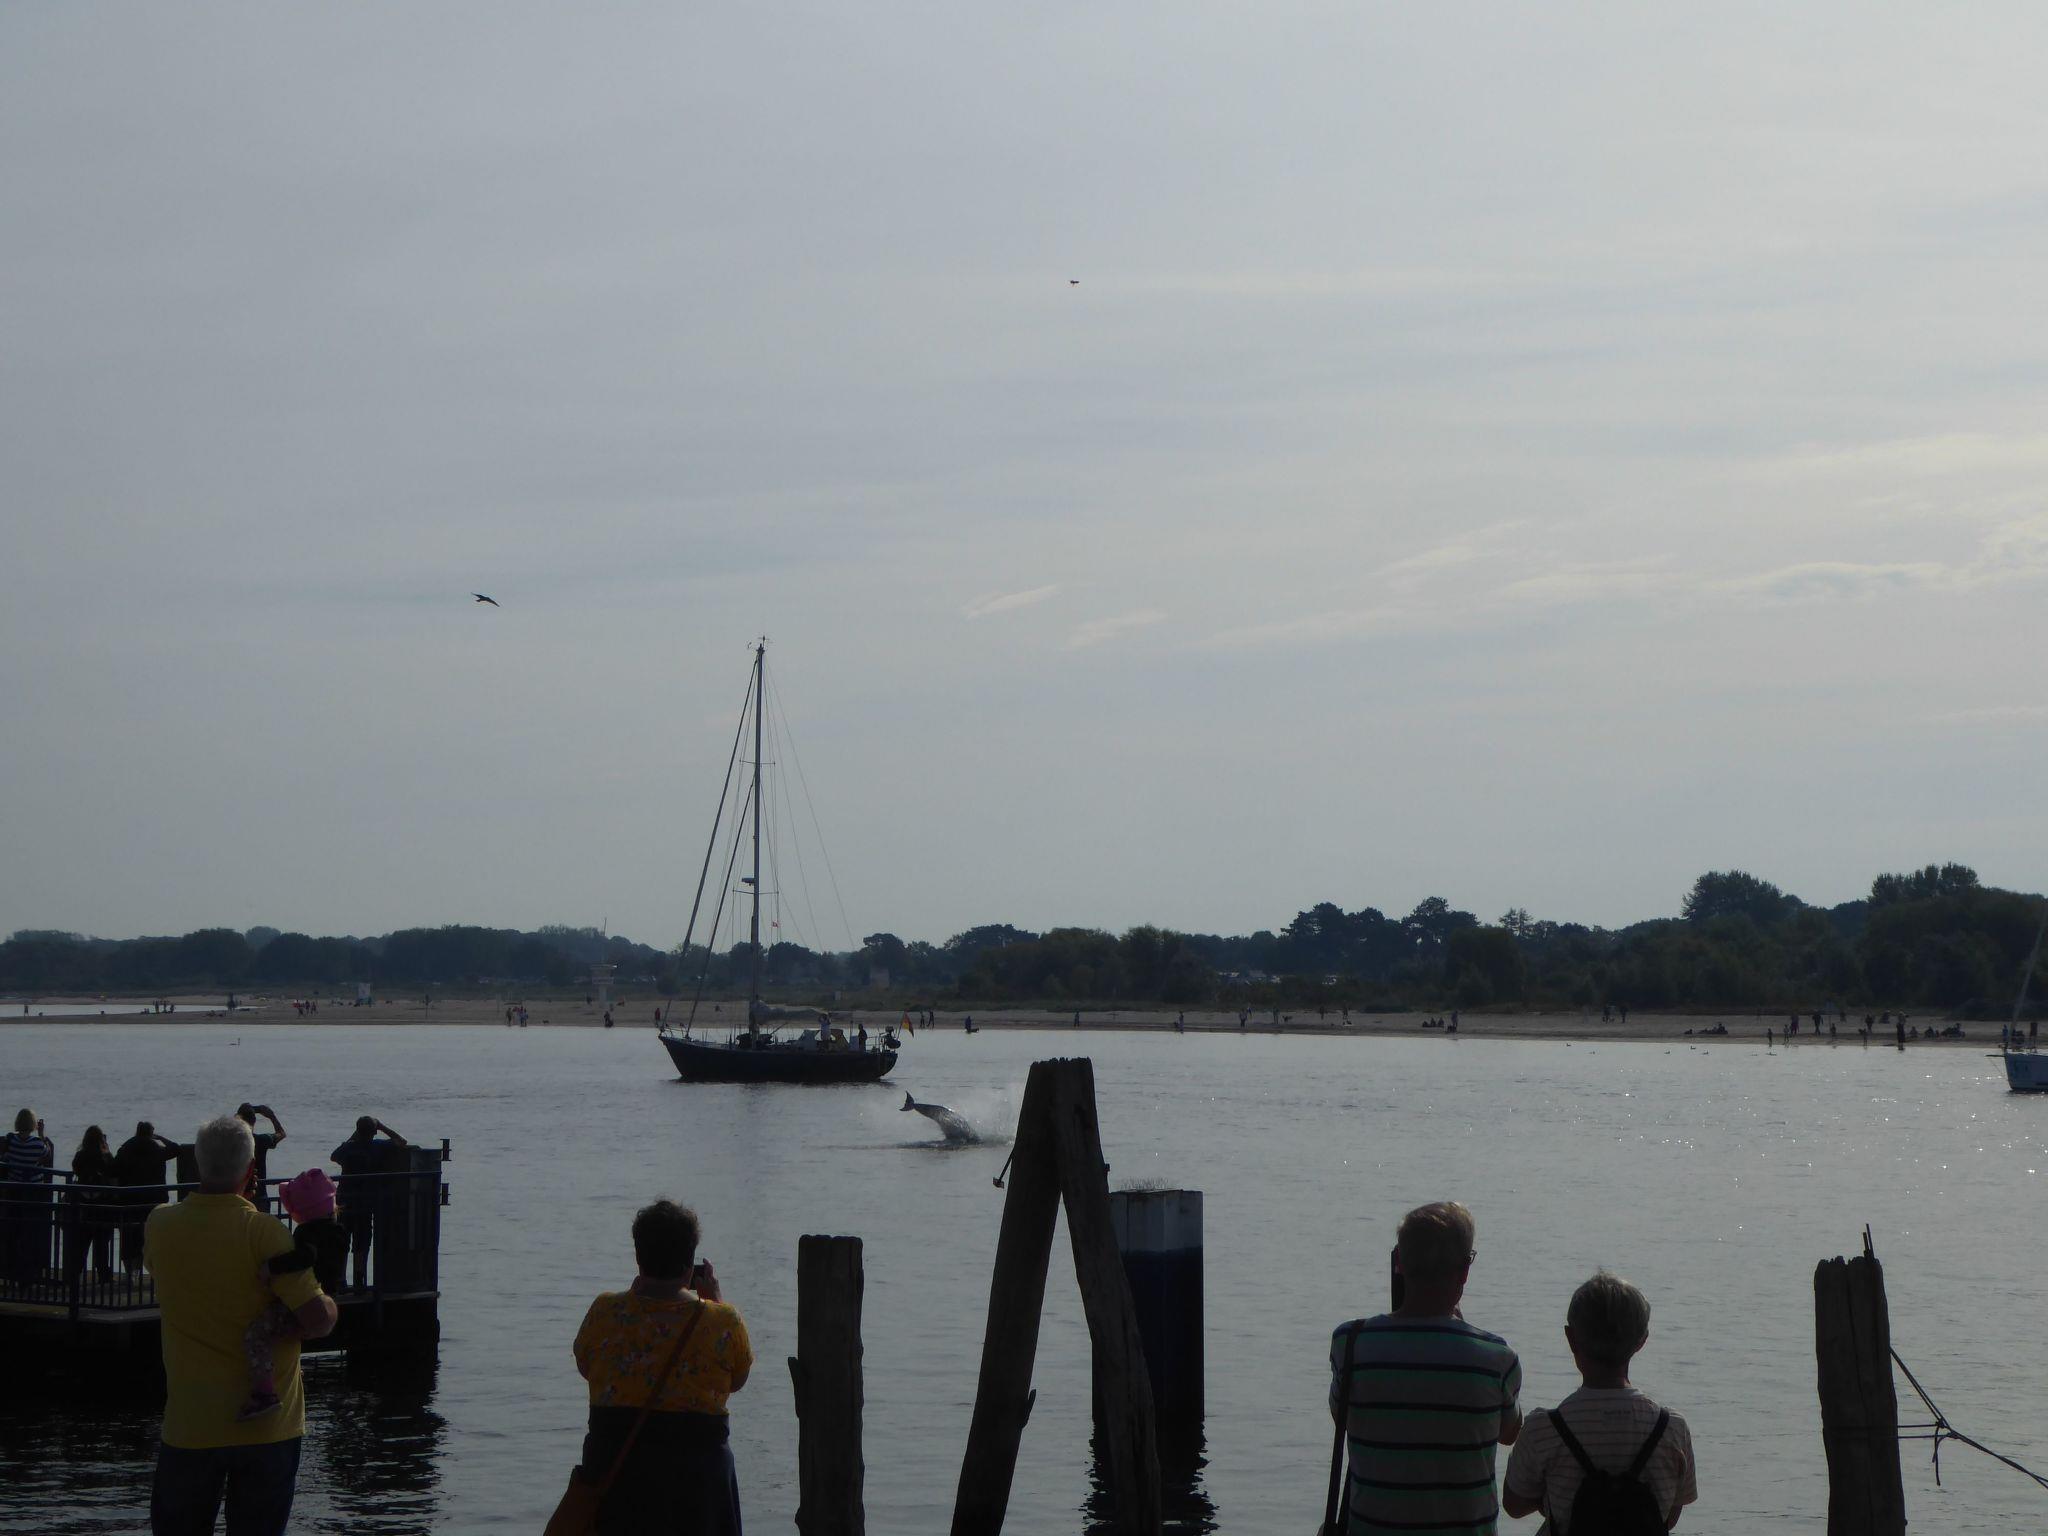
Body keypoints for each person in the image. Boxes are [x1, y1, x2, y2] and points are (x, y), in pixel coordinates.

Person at [145, 1114, 337, 1536]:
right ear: (251, 1170)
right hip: (268, 1430)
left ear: (197, 1164)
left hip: (191, 1423)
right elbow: (318, 1321)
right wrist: (327, 1305)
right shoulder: (266, 1233)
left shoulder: (160, 1224)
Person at [1329, 1202, 1520, 1535]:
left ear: (1400, 1263)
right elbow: (1509, 1433)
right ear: (1464, 1272)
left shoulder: (1351, 1343)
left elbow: (1342, 1417)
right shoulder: (1496, 1357)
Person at [571, 1199, 750, 1534]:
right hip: (698, 1490)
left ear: (639, 1258)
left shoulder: (605, 1311)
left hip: (617, 1481)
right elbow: (737, 1379)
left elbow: (586, 1367)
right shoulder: (723, 1321)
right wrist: (713, 1302)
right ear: (688, 1266)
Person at [1502, 1271, 1697, 1532]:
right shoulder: (1671, 1428)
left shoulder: (1543, 1429)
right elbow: (1669, 1517)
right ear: (1641, 1341)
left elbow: (1514, 1505)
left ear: (1571, 1338)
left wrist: (1551, 1501)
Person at [237, 1171, 350, 1420]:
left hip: (300, 1305)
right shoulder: (340, 1232)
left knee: (257, 1335)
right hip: (327, 1301)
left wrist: (271, 1267)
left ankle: (264, 1393)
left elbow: (306, 1257)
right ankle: (289, 1376)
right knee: (286, 1338)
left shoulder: (306, 1233)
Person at [330, 1116, 407, 1289]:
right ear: (374, 1132)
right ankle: (359, 1279)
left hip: (345, 1199)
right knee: (362, 1241)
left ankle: (340, 1280)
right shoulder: (378, 1146)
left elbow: (333, 1156)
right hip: (366, 1201)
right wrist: (382, 1126)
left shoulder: (348, 1148)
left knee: (342, 1239)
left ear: (357, 1130)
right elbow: (402, 1141)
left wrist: (354, 1136)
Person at [115, 1121, 183, 1272]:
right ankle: (153, 1272)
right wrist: (161, 1138)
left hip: (130, 1200)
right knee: (150, 1237)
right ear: (151, 1133)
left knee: (129, 1238)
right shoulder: (157, 1150)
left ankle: (132, 1272)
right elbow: (176, 1149)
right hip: (153, 1200)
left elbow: (113, 1170)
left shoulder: (126, 1149)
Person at [3, 1108, 57, 1289]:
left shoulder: (11, 1141)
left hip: (13, 1193)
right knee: (31, 1236)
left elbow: (7, 1158)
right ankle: (28, 1274)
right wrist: (41, 1134)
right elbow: (47, 1155)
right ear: (33, 1124)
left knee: (14, 1234)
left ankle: (13, 1272)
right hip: (33, 1195)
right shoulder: (36, 1144)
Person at [68, 1124, 119, 1281]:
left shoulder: (80, 1156)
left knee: (82, 1243)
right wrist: (107, 1152)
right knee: (102, 1243)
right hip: (103, 1205)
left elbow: (75, 1169)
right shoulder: (104, 1156)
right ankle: (104, 1274)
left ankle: (74, 1274)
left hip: (83, 1205)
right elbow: (114, 1171)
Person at [234, 1105, 288, 1209]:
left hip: (237, 1198)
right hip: (260, 1198)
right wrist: (271, 1116)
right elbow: (281, 1134)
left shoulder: (230, 1141)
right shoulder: (262, 1140)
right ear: (254, 1121)